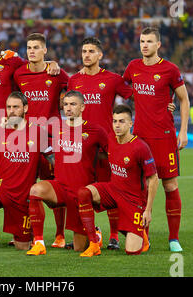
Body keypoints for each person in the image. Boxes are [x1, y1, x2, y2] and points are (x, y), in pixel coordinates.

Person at [123, 27, 190, 252]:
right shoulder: (133, 67)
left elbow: (184, 100)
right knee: (142, 186)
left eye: (149, 41)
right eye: (142, 41)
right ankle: (144, 235)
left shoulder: (170, 69)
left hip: (165, 137)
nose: (144, 45)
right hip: (140, 137)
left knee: (170, 184)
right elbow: (122, 90)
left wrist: (183, 131)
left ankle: (174, 239)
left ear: (158, 45)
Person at [67, 37, 133, 250]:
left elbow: (135, 96)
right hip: (80, 147)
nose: (86, 54)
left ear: (100, 55)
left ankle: (114, 236)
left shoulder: (112, 79)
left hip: (106, 147)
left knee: (112, 190)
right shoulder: (73, 80)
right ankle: (88, 233)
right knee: (79, 190)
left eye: (91, 51)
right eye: (84, 51)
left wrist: (163, 104)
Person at [26, 90, 108, 256]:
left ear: (83, 107)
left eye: (73, 104)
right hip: (60, 187)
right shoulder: (55, 127)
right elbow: (31, 127)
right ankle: (39, 243)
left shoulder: (96, 130)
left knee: (79, 247)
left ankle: (96, 234)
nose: (68, 108)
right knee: (35, 190)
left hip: (81, 193)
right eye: (66, 104)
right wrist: (48, 151)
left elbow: (112, 153)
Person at [0, 91, 52, 251]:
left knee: (22, 246)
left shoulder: (37, 132)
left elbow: (52, 158)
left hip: (23, 196)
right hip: (2, 190)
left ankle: (29, 237)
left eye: (16, 107)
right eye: (9, 107)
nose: (12, 110)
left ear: (25, 108)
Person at [77, 104, 159, 257]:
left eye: (122, 121)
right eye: (115, 121)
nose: (117, 125)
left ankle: (142, 236)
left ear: (130, 124)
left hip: (133, 200)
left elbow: (154, 179)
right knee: (84, 192)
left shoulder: (140, 147)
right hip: (113, 190)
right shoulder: (110, 139)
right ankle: (94, 243)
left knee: (132, 251)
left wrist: (147, 210)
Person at [13, 32, 69, 249]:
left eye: (36, 47)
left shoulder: (56, 73)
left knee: (56, 185)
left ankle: (60, 234)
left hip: (52, 139)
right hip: (26, 139)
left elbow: (76, 91)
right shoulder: (19, 75)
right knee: (25, 186)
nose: (32, 51)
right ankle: (26, 233)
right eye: (29, 47)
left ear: (45, 50)